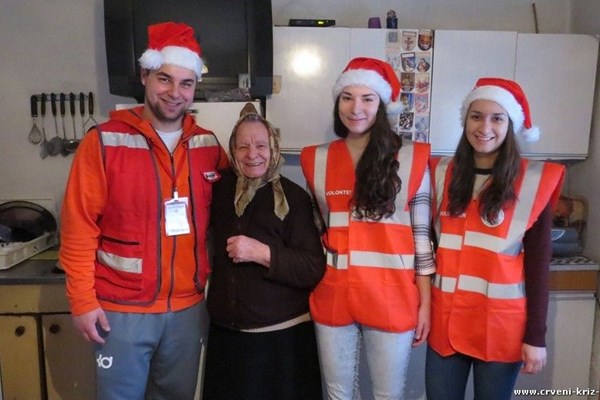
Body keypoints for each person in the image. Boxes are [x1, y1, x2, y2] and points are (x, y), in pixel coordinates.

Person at [58, 22, 227, 400]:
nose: (175, 93)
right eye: (164, 79)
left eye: (186, 83)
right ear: (144, 76)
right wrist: (83, 302)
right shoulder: (103, 142)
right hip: (121, 311)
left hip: (187, 311)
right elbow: (78, 228)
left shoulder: (208, 145)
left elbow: (232, 211)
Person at [300, 57, 435, 399]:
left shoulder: (412, 158)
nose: (355, 108)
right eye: (347, 97)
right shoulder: (314, 159)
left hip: (392, 294)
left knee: (388, 395)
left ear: (382, 104)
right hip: (334, 293)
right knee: (337, 394)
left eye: (367, 98)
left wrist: (425, 303)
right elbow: (320, 227)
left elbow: (422, 239)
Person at [426, 77, 565, 400]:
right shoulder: (439, 173)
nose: (484, 126)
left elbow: (538, 268)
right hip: (445, 322)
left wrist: (536, 337)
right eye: (476, 116)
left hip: (500, 326)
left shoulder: (533, 182)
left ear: (510, 125)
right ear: (465, 121)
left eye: (497, 118)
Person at [202, 103, 325, 400]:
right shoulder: (218, 191)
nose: (252, 154)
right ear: (232, 149)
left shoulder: (293, 198)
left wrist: (262, 253)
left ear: (274, 147)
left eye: (260, 145)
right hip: (227, 340)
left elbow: (312, 267)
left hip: (281, 343)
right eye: (242, 146)